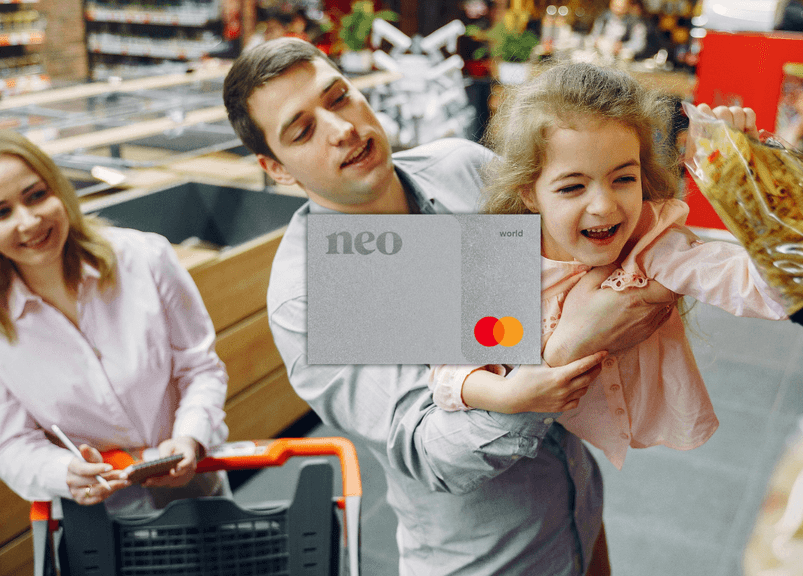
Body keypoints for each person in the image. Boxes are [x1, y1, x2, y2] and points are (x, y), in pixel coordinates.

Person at [222, 37, 676, 575]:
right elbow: (426, 449)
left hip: (575, 506)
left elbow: (579, 241)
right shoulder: (315, 289)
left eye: (339, 96)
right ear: (276, 169)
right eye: (302, 130)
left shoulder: (464, 170)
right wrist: (560, 355)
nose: (340, 127)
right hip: (487, 557)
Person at [429, 62, 790, 471]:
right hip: (517, 461)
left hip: (582, 458)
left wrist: (751, 193)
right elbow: (450, 374)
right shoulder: (499, 267)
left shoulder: (651, 240)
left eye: (623, 179)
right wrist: (512, 394)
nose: (604, 206)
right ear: (530, 194)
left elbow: (774, 291)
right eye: (572, 187)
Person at [0, 129, 230, 514]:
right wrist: (65, 471)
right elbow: (12, 445)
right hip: (96, 520)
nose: (29, 221)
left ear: (58, 189)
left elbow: (200, 369)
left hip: (196, 489)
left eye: (36, 195)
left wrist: (190, 436)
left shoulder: (145, 258)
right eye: (1, 212)